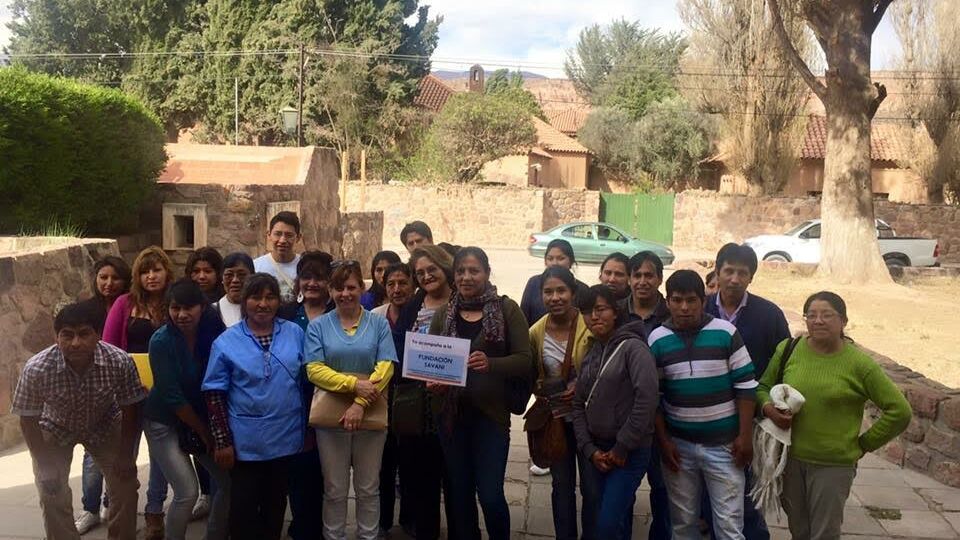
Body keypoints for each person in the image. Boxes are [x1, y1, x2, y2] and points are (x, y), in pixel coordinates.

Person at [759, 292, 911, 540]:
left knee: (825, 533)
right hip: (790, 460)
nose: (818, 321)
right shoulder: (789, 349)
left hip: (833, 465)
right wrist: (769, 409)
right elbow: (763, 387)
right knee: (799, 530)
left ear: (844, 321)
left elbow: (900, 411)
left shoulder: (859, 364)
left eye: (827, 315)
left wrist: (864, 444)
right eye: (811, 315)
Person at [12, 302, 146, 540]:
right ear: (56, 337)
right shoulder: (37, 368)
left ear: (98, 335)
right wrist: (44, 464)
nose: (75, 343)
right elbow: (28, 419)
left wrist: (127, 454)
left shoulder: (119, 361)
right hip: (55, 425)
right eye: (67, 335)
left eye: (84, 334)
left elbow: (130, 407)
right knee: (50, 490)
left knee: (125, 487)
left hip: (104, 423)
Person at [429, 247, 534, 540]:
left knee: (489, 494)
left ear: (487, 273)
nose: (466, 277)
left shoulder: (506, 309)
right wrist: (434, 381)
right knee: (459, 495)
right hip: (451, 418)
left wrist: (492, 364)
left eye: (474, 270)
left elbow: (525, 360)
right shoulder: (444, 313)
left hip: (491, 418)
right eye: (461, 271)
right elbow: (433, 360)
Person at [649, 270, 757, 540]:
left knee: (729, 526)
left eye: (691, 300)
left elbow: (745, 388)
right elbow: (655, 400)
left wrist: (745, 437)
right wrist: (664, 443)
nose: (684, 308)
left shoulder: (726, 333)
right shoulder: (657, 339)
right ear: (668, 302)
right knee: (683, 524)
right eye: (677, 300)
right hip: (679, 448)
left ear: (703, 301)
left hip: (725, 447)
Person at [203, 273, 306, 540]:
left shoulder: (294, 333)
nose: (263, 304)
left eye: (270, 297)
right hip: (245, 444)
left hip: (286, 438)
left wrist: (308, 431)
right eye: (255, 297)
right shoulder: (227, 341)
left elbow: (306, 382)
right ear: (244, 301)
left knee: (275, 509)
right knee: (243, 514)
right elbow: (214, 394)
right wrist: (222, 441)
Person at [305, 261, 399, 540]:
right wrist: (354, 385)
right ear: (330, 291)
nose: (345, 293)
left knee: (368, 487)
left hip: (370, 414)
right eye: (338, 288)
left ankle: (368, 536)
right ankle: (334, 536)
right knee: (334, 487)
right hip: (330, 417)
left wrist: (360, 403)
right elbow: (314, 369)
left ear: (362, 287)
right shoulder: (319, 326)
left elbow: (386, 366)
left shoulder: (378, 324)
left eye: (351, 287)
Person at [704, 243, 790, 540]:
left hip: (751, 419)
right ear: (717, 272)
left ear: (751, 277)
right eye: (729, 271)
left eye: (743, 273)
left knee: (748, 492)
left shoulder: (769, 315)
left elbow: (784, 364)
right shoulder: (698, 308)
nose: (734, 279)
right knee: (707, 494)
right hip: (704, 418)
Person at [143, 279, 230, 539]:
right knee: (187, 491)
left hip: (201, 419)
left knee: (228, 483)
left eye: (188, 308)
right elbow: (172, 396)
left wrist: (213, 430)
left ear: (202, 307)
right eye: (175, 308)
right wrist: (204, 432)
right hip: (164, 422)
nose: (181, 315)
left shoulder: (213, 331)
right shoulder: (161, 341)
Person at [570, 285, 658, 539]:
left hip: (628, 453)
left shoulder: (634, 348)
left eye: (600, 309)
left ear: (615, 311)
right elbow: (578, 404)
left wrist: (621, 447)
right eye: (587, 311)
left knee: (608, 522)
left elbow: (647, 399)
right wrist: (589, 449)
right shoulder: (591, 350)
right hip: (596, 450)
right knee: (603, 520)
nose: (594, 317)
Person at [101, 246, 172, 539]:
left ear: (167, 272)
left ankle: (154, 512)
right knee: (123, 452)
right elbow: (108, 347)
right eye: (145, 271)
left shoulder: (173, 303)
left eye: (157, 270)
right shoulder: (124, 303)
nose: (151, 276)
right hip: (127, 394)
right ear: (137, 276)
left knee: (160, 456)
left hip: (163, 394)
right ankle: (116, 505)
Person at [391, 245, 457, 540]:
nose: (427, 276)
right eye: (420, 272)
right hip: (419, 406)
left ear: (445, 267)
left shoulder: (462, 302)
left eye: (432, 269)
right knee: (423, 478)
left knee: (455, 478)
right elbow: (399, 349)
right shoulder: (414, 305)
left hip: (456, 404)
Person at [528, 267, 592, 540]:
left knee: (592, 487)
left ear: (573, 293)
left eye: (561, 291)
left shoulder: (590, 326)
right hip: (556, 421)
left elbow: (605, 366)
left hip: (590, 421)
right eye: (548, 292)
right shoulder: (535, 332)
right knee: (561, 486)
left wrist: (582, 386)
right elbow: (529, 372)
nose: (555, 297)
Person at [277, 250, 335, 540]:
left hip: (329, 399)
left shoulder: (338, 313)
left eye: (319, 278)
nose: (312, 283)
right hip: (292, 402)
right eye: (306, 277)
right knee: (299, 471)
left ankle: (320, 526)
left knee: (325, 473)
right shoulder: (285, 312)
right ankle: (303, 526)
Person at [618, 250, 671, 540]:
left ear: (659, 279)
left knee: (662, 490)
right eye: (636, 275)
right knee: (622, 491)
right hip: (624, 418)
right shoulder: (615, 312)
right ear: (629, 278)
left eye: (648, 275)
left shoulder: (672, 313)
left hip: (665, 418)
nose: (642, 281)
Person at [75, 256, 131, 533]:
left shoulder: (132, 306)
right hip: (94, 389)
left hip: (125, 386)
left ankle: (113, 501)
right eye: (103, 277)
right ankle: (90, 508)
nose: (108, 283)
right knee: (92, 454)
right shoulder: (85, 310)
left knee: (122, 450)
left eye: (115, 278)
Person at [520, 239, 588, 327]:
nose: (554, 263)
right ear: (545, 261)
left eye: (561, 258)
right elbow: (523, 319)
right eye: (550, 259)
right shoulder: (533, 283)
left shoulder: (583, 290)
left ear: (571, 261)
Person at [254, 211, 303, 303]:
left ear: (298, 237)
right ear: (269, 235)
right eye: (278, 234)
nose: (283, 240)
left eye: (289, 235)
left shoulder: (304, 265)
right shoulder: (256, 267)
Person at [213, 252, 255, 328]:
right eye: (229, 275)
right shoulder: (212, 311)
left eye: (241, 275)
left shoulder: (261, 310)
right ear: (222, 279)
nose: (235, 280)